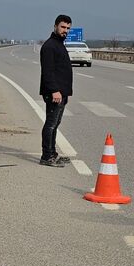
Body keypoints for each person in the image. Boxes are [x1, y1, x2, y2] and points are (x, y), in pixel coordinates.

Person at [38, 14, 74, 168]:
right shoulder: (50, 46)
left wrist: (64, 92)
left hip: (61, 93)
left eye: (68, 28)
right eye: (63, 27)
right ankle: (46, 156)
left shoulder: (59, 44)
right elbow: (48, 71)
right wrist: (54, 90)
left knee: (55, 123)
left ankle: (53, 153)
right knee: (51, 124)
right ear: (55, 26)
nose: (65, 30)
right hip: (54, 93)